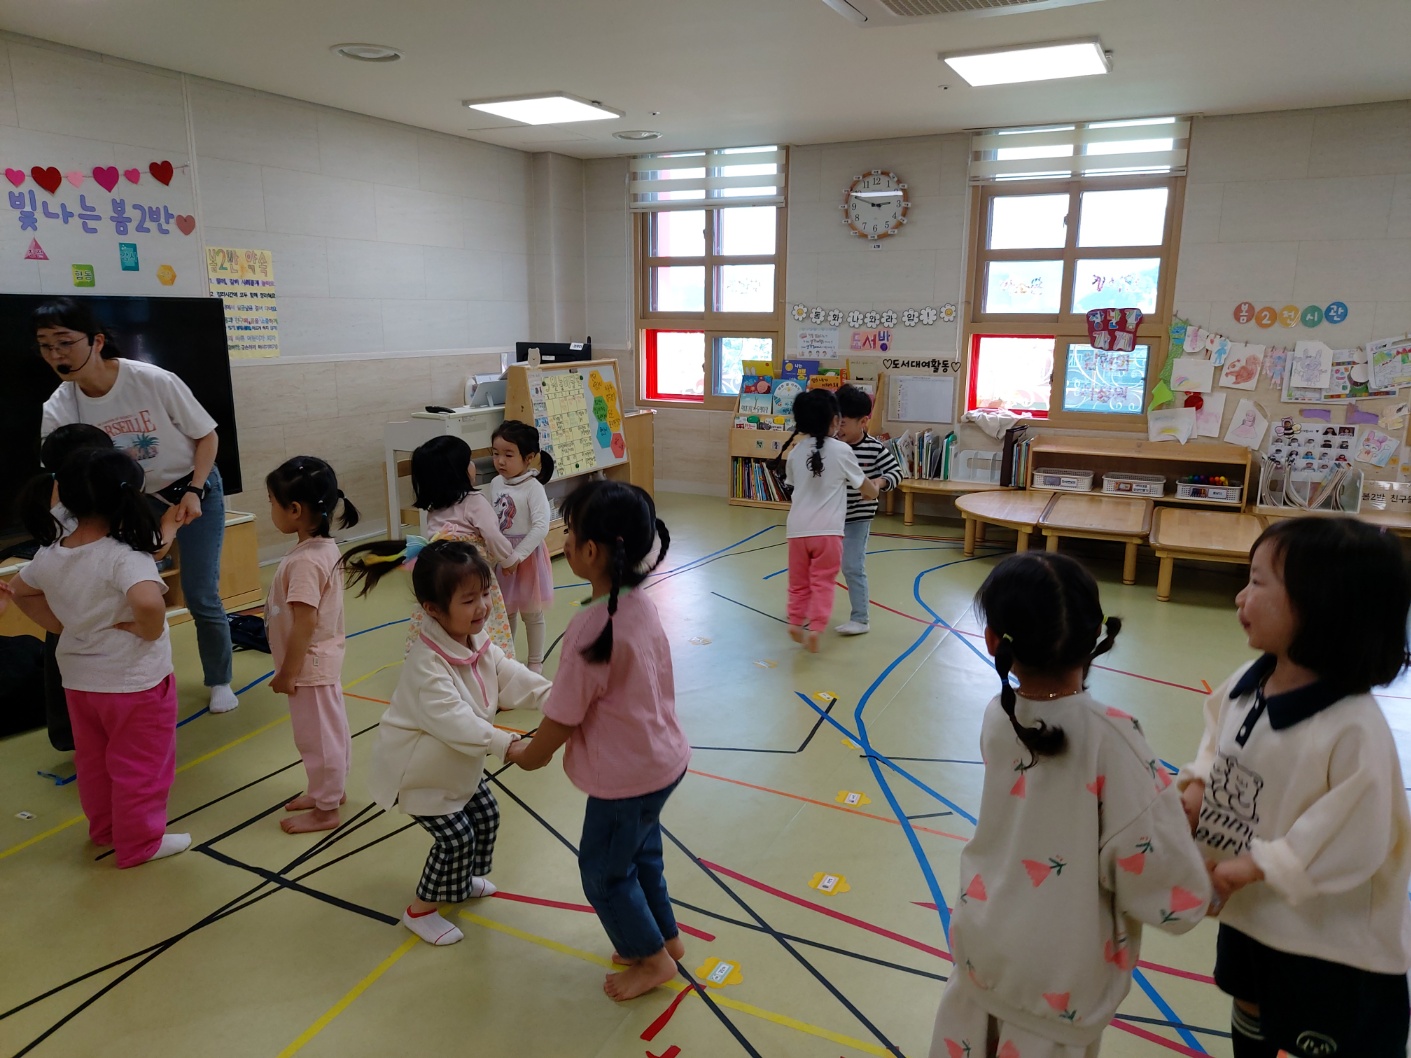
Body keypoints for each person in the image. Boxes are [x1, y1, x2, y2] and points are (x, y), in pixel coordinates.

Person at [930, 552, 1209, 1058]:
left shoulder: (1000, 715)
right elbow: (1154, 872)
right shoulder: (1112, 736)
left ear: (993, 641)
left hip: (983, 946)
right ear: (1093, 636)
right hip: (1057, 979)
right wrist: (1203, 867)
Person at [1177, 518, 1411, 1057]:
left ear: (1320, 606)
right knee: (1250, 1002)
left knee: (1320, 1036)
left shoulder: (1353, 727)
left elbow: (1350, 831)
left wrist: (1256, 866)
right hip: (1252, 910)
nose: (1241, 596)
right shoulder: (1248, 682)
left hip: (1328, 940)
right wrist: (1196, 789)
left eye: (1258, 582)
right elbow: (1219, 745)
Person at [508, 481, 687, 1001]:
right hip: (662, 763)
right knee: (642, 855)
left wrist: (530, 754)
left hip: (625, 780)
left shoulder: (590, 626)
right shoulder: (639, 602)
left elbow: (563, 715)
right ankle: (665, 938)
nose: (563, 543)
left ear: (591, 551)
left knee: (604, 874)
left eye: (569, 534)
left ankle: (652, 961)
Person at [35, 298, 239, 714]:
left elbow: (207, 436)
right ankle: (141, 681)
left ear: (96, 341)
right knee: (132, 590)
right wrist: (57, 533)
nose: (55, 355)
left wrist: (194, 491)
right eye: (45, 345)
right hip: (131, 498)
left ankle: (219, 679)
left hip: (191, 485)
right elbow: (62, 475)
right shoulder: (58, 408)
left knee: (201, 594)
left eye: (64, 342)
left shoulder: (151, 379)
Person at [345, 538, 550, 946]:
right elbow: (455, 721)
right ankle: (420, 911)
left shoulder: (474, 640)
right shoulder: (426, 663)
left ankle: (459, 880)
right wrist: (507, 744)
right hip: (419, 774)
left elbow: (509, 675)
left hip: (454, 765)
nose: (483, 607)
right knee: (456, 838)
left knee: (486, 814)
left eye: (485, 594)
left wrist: (553, 696)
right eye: (469, 600)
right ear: (434, 610)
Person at [1, 448, 190, 867]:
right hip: (135, 682)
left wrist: (62, 625)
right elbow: (148, 601)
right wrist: (149, 630)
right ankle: (140, 844)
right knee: (142, 766)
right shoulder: (125, 556)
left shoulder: (51, 553)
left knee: (95, 762)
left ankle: (105, 830)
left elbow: (21, 590)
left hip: (79, 680)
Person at [349, 436, 517, 658]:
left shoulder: (434, 509)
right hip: (470, 573)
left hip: (441, 575)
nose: (473, 465)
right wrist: (509, 560)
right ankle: (482, 662)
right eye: (468, 461)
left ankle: (446, 659)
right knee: (479, 619)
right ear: (458, 472)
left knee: (446, 619)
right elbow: (493, 536)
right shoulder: (474, 501)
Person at [265, 457, 360, 835]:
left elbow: (305, 622)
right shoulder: (320, 549)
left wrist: (287, 673)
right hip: (317, 664)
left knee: (318, 739)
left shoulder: (307, 562)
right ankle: (328, 792)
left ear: (294, 510)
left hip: (308, 667)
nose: (270, 509)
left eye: (271, 502)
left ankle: (326, 810)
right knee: (325, 733)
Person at [769, 389, 877, 652]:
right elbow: (866, 487)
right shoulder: (842, 451)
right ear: (834, 420)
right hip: (828, 532)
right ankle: (816, 628)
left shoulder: (795, 452)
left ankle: (796, 622)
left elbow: (795, 484)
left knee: (798, 582)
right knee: (823, 583)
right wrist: (872, 491)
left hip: (797, 531)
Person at [833, 384, 902, 637]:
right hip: (828, 517)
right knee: (816, 565)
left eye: (843, 423)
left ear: (863, 421)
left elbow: (896, 473)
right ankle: (809, 609)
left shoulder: (874, 448)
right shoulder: (830, 446)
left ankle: (860, 619)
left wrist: (879, 483)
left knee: (852, 566)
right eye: (835, 421)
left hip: (856, 518)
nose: (838, 428)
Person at [487, 420, 556, 673]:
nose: (500, 461)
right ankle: (507, 658)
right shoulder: (496, 483)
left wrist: (517, 555)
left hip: (527, 560)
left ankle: (535, 661)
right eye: (495, 454)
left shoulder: (533, 488)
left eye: (508, 455)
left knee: (531, 613)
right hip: (503, 557)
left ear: (528, 458)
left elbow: (541, 527)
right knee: (505, 612)